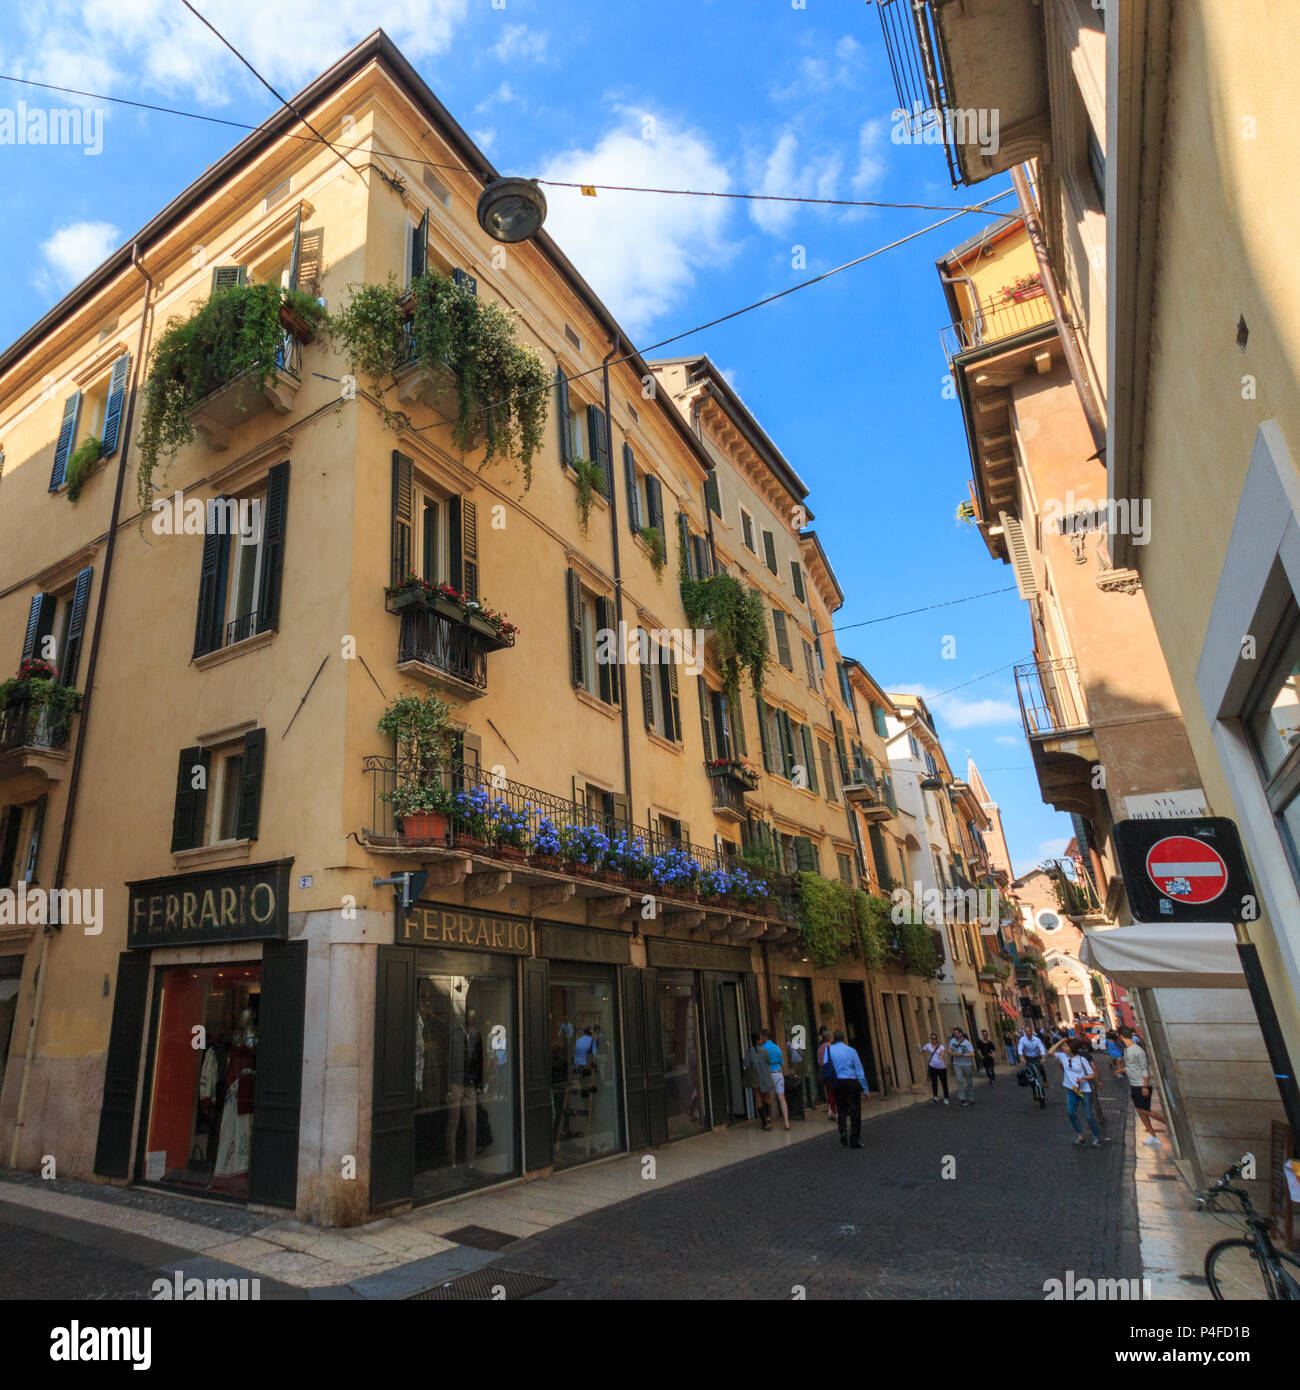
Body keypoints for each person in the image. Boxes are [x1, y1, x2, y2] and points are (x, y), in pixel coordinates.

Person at [1048, 1035, 1108, 1147]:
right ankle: (1080, 1135)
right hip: (1071, 1090)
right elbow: (1050, 1052)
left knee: (1089, 1116)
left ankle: (1097, 1136)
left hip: (1084, 1090)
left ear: (1071, 1048)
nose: (1063, 1048)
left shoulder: (1081, 1059)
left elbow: (1092, 1074)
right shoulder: (1062, 1056)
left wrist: (1083, 1078)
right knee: (1071, 1113)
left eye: (1065, 1046)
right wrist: (1061, 1040)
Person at [823, 1029, 870, 1147]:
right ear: (844, 1039)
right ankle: (854, 1140)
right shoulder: (851, 1051)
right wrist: (865, 1089)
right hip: (851, 1082)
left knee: (841, 1108)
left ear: (834, 1039)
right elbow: (859, 1071)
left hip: (838, 1082)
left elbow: (825, 1065)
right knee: (855, 1111)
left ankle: (842, 1130)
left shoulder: (829, 1050)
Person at [1120, 1027, 1165, 1146]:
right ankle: (1152, 1135)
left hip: (1141, 1084)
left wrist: (1145, 1086)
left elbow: (1144, 1067)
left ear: (1121, 1036)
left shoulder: (1137, 1050)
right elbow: (1131, 1066)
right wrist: (1122, 1070)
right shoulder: (1127, 1050)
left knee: (1145, 1110)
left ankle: (1169, 1123)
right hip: (1134, 1084)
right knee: (1140, 1110)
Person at [759, 1028, 790, 1131]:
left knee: (768, 1097)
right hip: (778, 1073)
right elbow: (782, 1062)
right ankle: (786, 1122)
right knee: (782, 1097)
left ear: (764, 1037)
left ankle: (769, 1119)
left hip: (769, 1074)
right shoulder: (777, 1048)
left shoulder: (763, 1048)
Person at [747, 1031, 775, 1130]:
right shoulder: (764, 1051)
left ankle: (763, 1122)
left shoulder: (749, 1052)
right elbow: (768, 1062)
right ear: (758, 1040)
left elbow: (746, 1064)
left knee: (758, 1099)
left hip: (755, 1078)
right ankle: (768, 1117)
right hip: (765, 1076)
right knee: (767, 1097)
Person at [1017, 1025, 1048, 1097]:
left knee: (1040, 1066)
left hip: (1036, 1057)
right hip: (1028, 1058)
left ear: (1032, 1032)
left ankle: (1045, 1080)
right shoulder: (1022, 1040)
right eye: (1026, 1032)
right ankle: (1034, 1092)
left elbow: (1042, 1049)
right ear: (1025, 1033)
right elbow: (1020, 1050)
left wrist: (1043, 1057)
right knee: (1030, 1076)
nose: (1028, 1033)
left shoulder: (1037, 1040)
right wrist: (1022, 1058)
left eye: (1029, 1031)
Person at [950, 1027, 977, 1106]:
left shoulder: (967, 1043)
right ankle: (962, 1098)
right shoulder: (952, 1041)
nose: (955, 1035)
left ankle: (971, 1098)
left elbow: (972, 1054)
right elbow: (949, 1049)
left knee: (969, 1082)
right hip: (957, 1064)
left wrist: (962, 1055)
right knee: (959, 1080)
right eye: (954, 1033)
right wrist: (953, 1053)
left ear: (961, 1033)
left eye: (957, 1033)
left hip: (967, 1064)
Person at [919, 1032, 949, 1104]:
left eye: (934, 1038)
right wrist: (919, 1048)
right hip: (932, 1066)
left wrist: (941, 1056)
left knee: (944, 1083)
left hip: (941, 1067)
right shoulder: (928, 1045)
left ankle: (946, 1098)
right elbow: (922, 1052)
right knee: (934, 1082)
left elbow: (942, 1052)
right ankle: (935, 1096)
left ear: (937, 1039)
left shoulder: (941, 1046)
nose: (933, 1040)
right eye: (932, 1038)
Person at [816, 1026, 838, 1123]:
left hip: (825, 1073)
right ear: (829, 1038)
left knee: (829, 1093)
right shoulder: (831, 1048)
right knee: (836, 1092)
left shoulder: (820, 1049)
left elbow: (820, 1062)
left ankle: (832, 1112)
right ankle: (837, 1112)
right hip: (833, 1073)